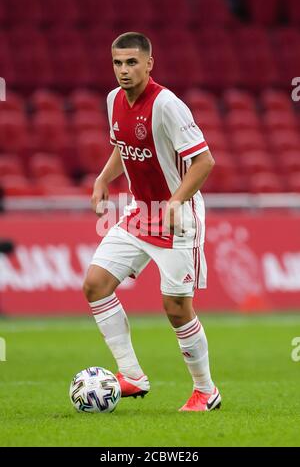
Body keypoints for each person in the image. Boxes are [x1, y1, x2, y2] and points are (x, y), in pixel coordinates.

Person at [83, 32, 221, 412]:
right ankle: (131, 375)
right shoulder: (113, 100)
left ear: (149, 63)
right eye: (117, 63)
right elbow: (122, 145)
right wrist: (103, 178)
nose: (124, 70)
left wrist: (177, 202)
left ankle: (206, 392)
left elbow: (204, 161)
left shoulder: (167, 105)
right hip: (139, 212)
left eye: (131, 62)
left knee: (176, 308)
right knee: (95, 285)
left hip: (179, 217)